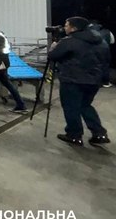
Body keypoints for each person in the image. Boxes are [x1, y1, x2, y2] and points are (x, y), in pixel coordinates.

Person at [48, 16, 110, 146]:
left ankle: (74, 135)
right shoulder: (100, 41)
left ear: (74, 28)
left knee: (71, 108)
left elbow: (53, 56)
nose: (64, 28)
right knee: (85, 105)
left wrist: (53, 47)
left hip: (72, 80)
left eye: (66, 25)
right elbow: (106, 61)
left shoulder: (69, 41)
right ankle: (99, 133)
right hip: (94, 81)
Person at [89, 20, 114, 87]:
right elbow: (112, 41)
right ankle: (105, 82)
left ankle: (94, 81)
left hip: (90, 50)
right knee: (105, 65)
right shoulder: (107, 31)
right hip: (104, 50)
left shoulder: (86, 31)